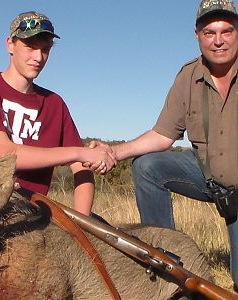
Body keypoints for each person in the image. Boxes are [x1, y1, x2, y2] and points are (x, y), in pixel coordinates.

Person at [93, 0, 238, 290]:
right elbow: (163, 135)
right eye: (210, 33)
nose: (218, 41)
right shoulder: (188, 76)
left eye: (227, 31)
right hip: (211, 180)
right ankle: (165, 257)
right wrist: (114, 153)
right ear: (197, 35)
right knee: (148, 166)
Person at [0, 11, 116, 216]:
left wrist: (81, 222)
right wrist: (80, 152)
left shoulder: (55, 104)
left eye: (45, 49)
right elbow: (2, 152)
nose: (38, 57)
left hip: (33, 214)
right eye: (30, 47)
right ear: (10, 44)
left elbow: (82, 168)